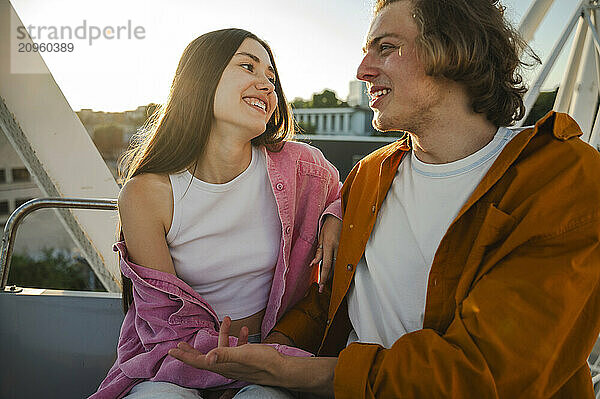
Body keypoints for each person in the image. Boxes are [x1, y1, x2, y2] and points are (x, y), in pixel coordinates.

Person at [168, 1, 600, 398]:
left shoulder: (561, 177)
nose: (362, 70)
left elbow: (484, 372)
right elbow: (326, 300)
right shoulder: (370, 175)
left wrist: (296, 373)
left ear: (454, 51)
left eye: (386, 48)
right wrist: (272, 349)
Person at [89, 28, 343, 399]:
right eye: (248, 67)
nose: (267, 85)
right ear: (201, 78)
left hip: (273, 352)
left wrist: (334, 216)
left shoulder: (303, 166)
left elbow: (345, 193)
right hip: (178, 354)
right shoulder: (146, 193)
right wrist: (222, 365)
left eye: (271, 78)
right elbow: (164, 319)